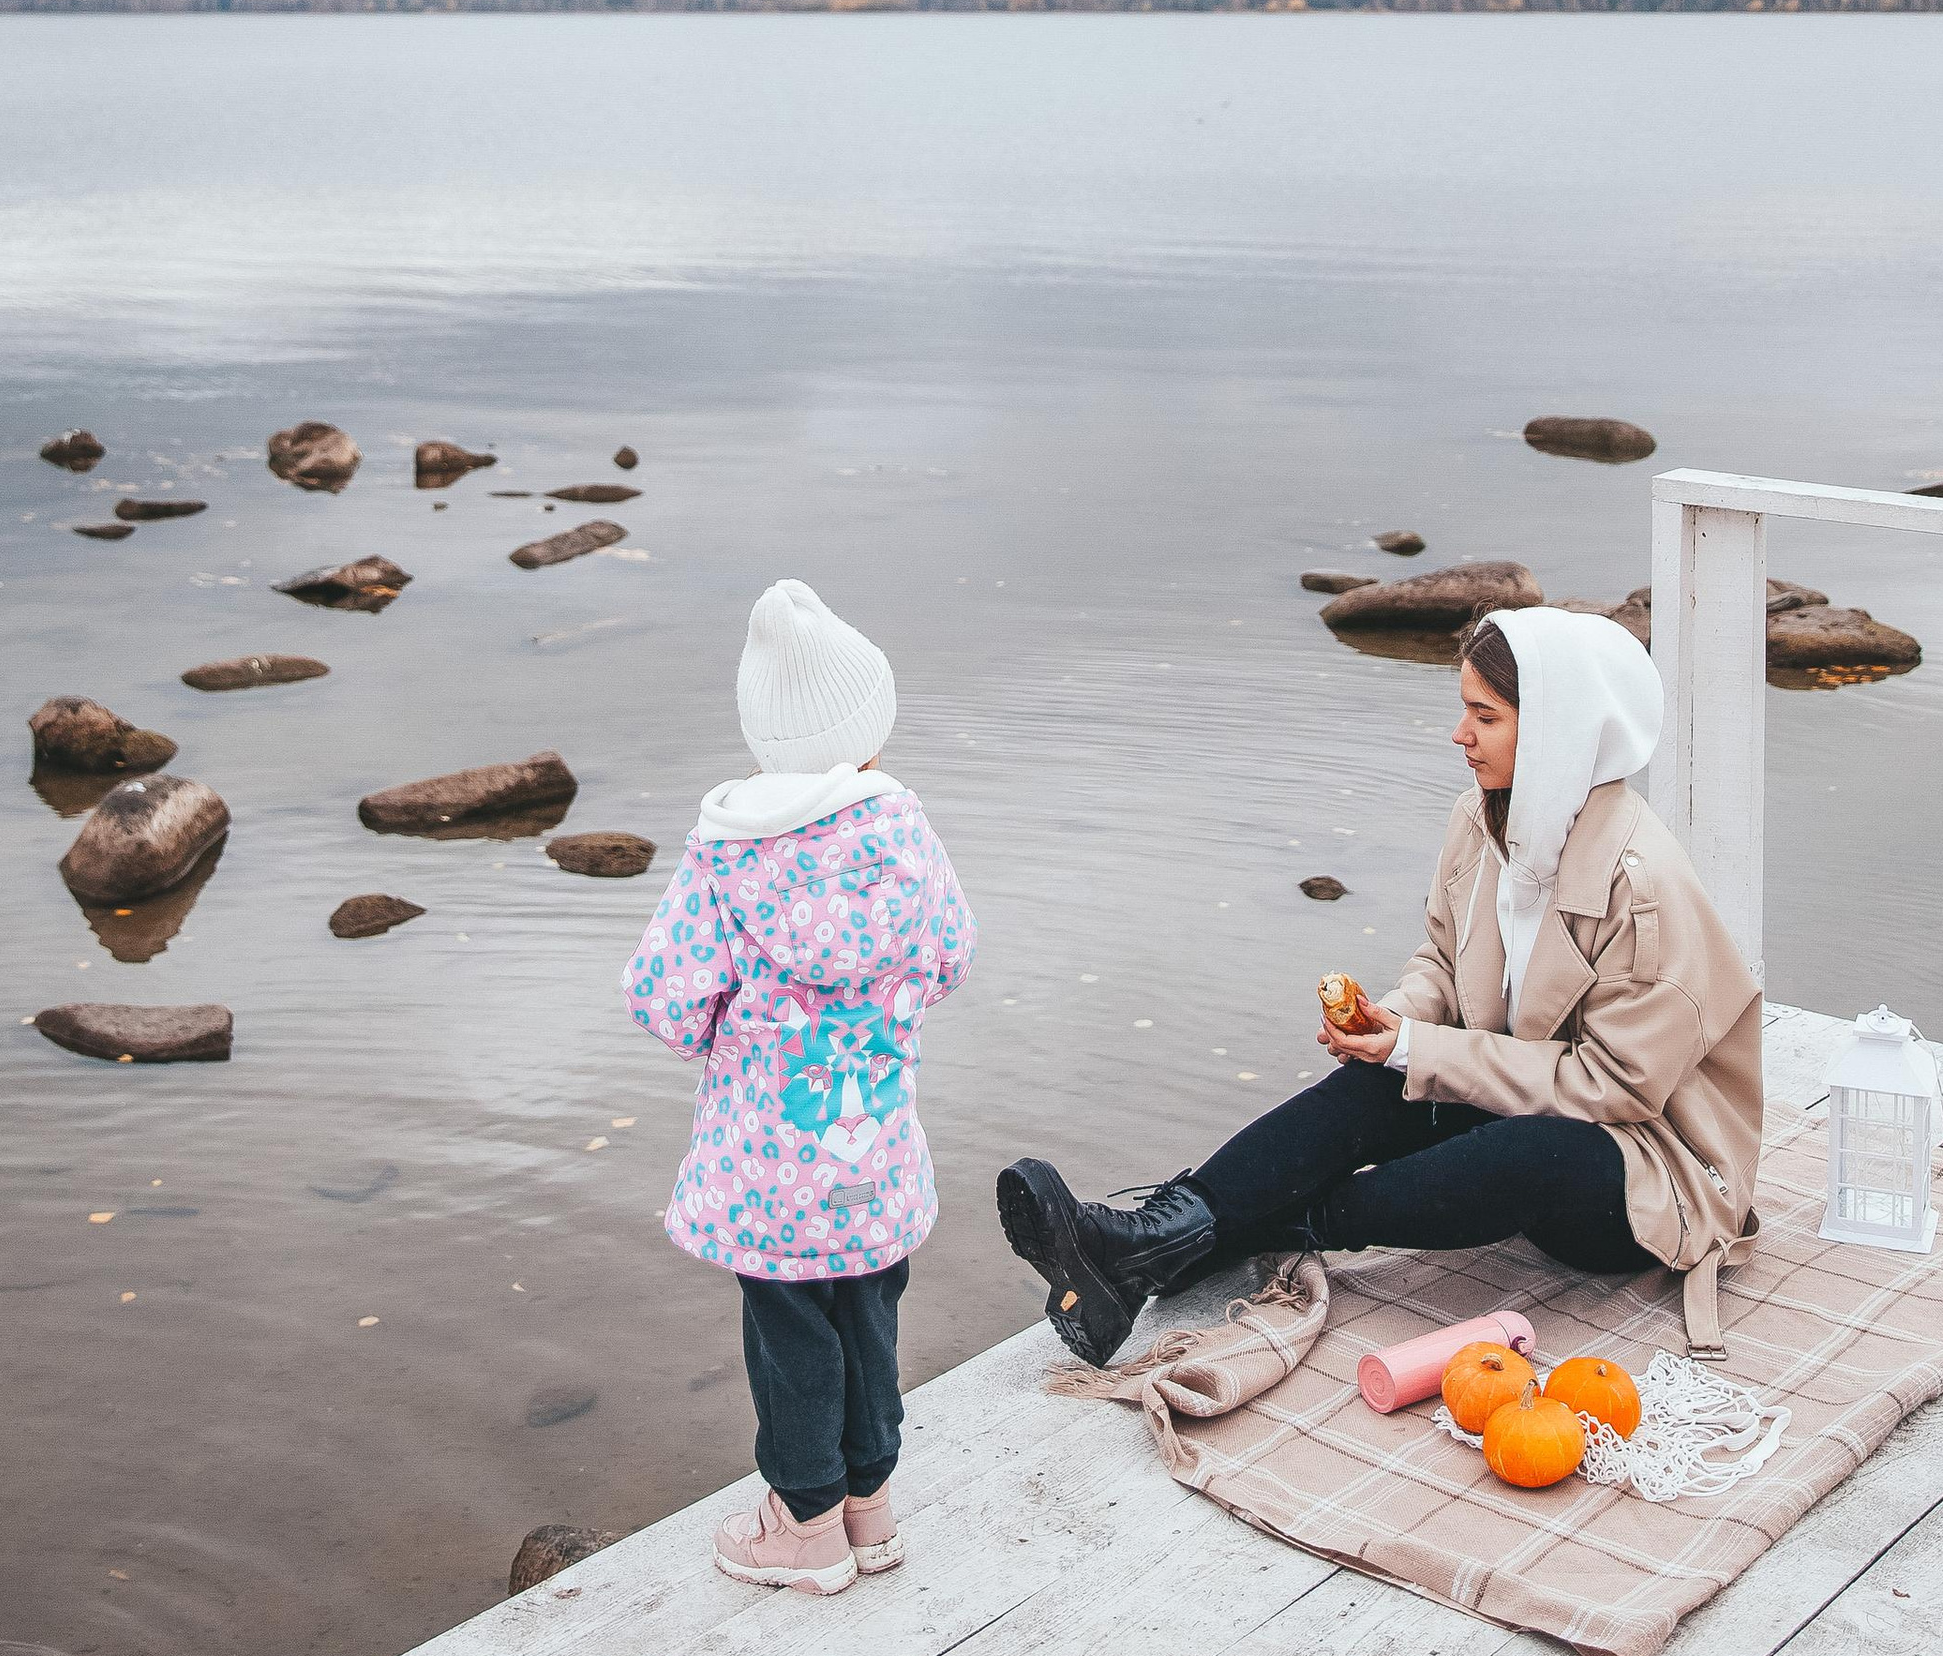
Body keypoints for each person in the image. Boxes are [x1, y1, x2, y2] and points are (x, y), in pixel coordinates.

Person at [998, 603, 1763, 1366]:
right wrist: (1394, 1022)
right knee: (1380, 1082)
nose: (1459, 736)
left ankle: (1235, 1234)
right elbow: (1442, 958)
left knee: (1534, 1147)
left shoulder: (1643, 886)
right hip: (1523, 1088)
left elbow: (1617, 1087)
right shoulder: (1485, 819)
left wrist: (1421, 1047)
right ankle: (1148, 1241)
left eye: (1483, 716)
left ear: (1558, 730)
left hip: (1643, 1168)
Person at [626, 578, 975, 1593]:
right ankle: (869, 1506)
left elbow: (665, 998)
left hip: (768, 1164)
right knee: (869, 1310)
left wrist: (730, 1036)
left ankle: (806, 1526)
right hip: (873, 1148)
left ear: (762, 735)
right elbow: (950, 955)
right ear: (869, 727)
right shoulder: (904, 834)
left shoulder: (727, 856)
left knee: (789, 1332)